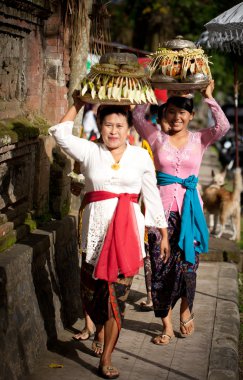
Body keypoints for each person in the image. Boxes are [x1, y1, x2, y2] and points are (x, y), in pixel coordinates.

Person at [48, 94, 169, 379]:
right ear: (100, 126)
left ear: (129, 129)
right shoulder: (90, 151)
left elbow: (151, 197)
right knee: (92, 297)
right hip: (93, 236)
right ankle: (98, 329)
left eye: (119, 125)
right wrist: (78, 103)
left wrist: (162, 234)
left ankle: (106, 357)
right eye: (108, 125)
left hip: (127, 238)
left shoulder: (140, 155)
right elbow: (59, 133)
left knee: (117, 299)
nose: (113, 131)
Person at [132, 80, 231, 345]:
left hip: (190, 212)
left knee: (190, 265)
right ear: (165, 113)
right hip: (159, 213)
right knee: (160, 266)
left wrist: (209, 96)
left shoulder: (200, 139)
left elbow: (223, 127)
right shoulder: (154, 136)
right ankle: (165, 324)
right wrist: (151, 88)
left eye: (183, 112)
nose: (177, 117)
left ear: (191, 115)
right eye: (172, 111)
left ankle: (186, 309)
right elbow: (136, 115)